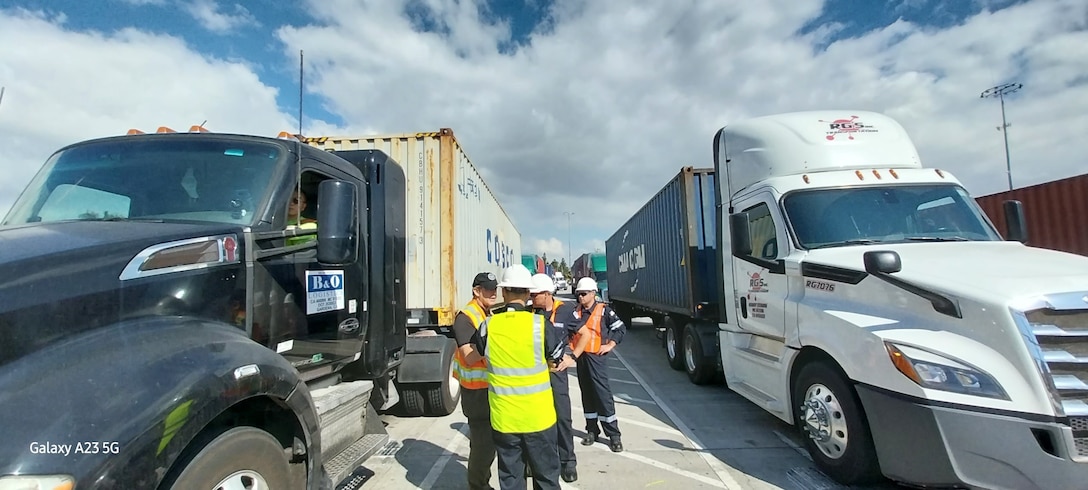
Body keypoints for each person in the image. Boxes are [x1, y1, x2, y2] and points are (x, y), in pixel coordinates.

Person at [474, 265, 575, 490]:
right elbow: (557, 360)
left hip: (504, 419)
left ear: (503, 293)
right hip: (539, 417)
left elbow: (479, 353)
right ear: (528, 294)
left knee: (511, 479)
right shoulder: (540, 325)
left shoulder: (488, 326)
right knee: (547, 478)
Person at [529, 273, 590, 483]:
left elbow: (586, 335)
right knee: (536, 421)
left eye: (535, 294)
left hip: (557, 375)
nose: (531, 297)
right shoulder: (530, 312)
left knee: (562, 418)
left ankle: (568, 462)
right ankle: (536, 461)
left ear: (547, 294)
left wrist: (572, 356)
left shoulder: (564, 311)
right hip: (534, 377)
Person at [451, 271, 501, 490]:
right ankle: (478, 486)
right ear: (476, 291)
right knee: (483, 445)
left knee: (489, 444)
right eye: (488, 289)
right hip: (476, 392)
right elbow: (469, 357)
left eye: (495, 288)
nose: (493, 292)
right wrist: (495, 340)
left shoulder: (485, 312)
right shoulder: (465, 317)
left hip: (488, 388)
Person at [571, 277, 627, 452]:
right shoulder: (575, 312)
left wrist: (610, 344)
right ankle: (591, 430)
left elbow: (619, 328)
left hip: (597, 359)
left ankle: (614, 436)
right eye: (578, 293)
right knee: (587, 394)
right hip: (581, 358)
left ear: (593, 293)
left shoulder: (604, 311)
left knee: (603, 395)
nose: (580, 297)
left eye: (584, 293)